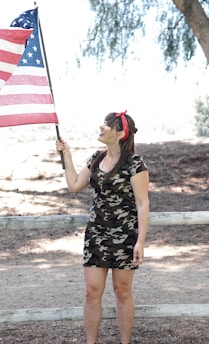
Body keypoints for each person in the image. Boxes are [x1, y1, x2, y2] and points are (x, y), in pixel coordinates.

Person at [55, 110, 150, 344]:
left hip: (126, 236)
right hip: (96, 234)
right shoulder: (96, 159)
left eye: (107, 124)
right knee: (92, 292)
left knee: (122, 291)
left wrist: (140, 242)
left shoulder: (134, 164)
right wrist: (66, 154)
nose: (101, 126)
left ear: (120, 133)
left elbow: (142, 203)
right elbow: (75, 184)